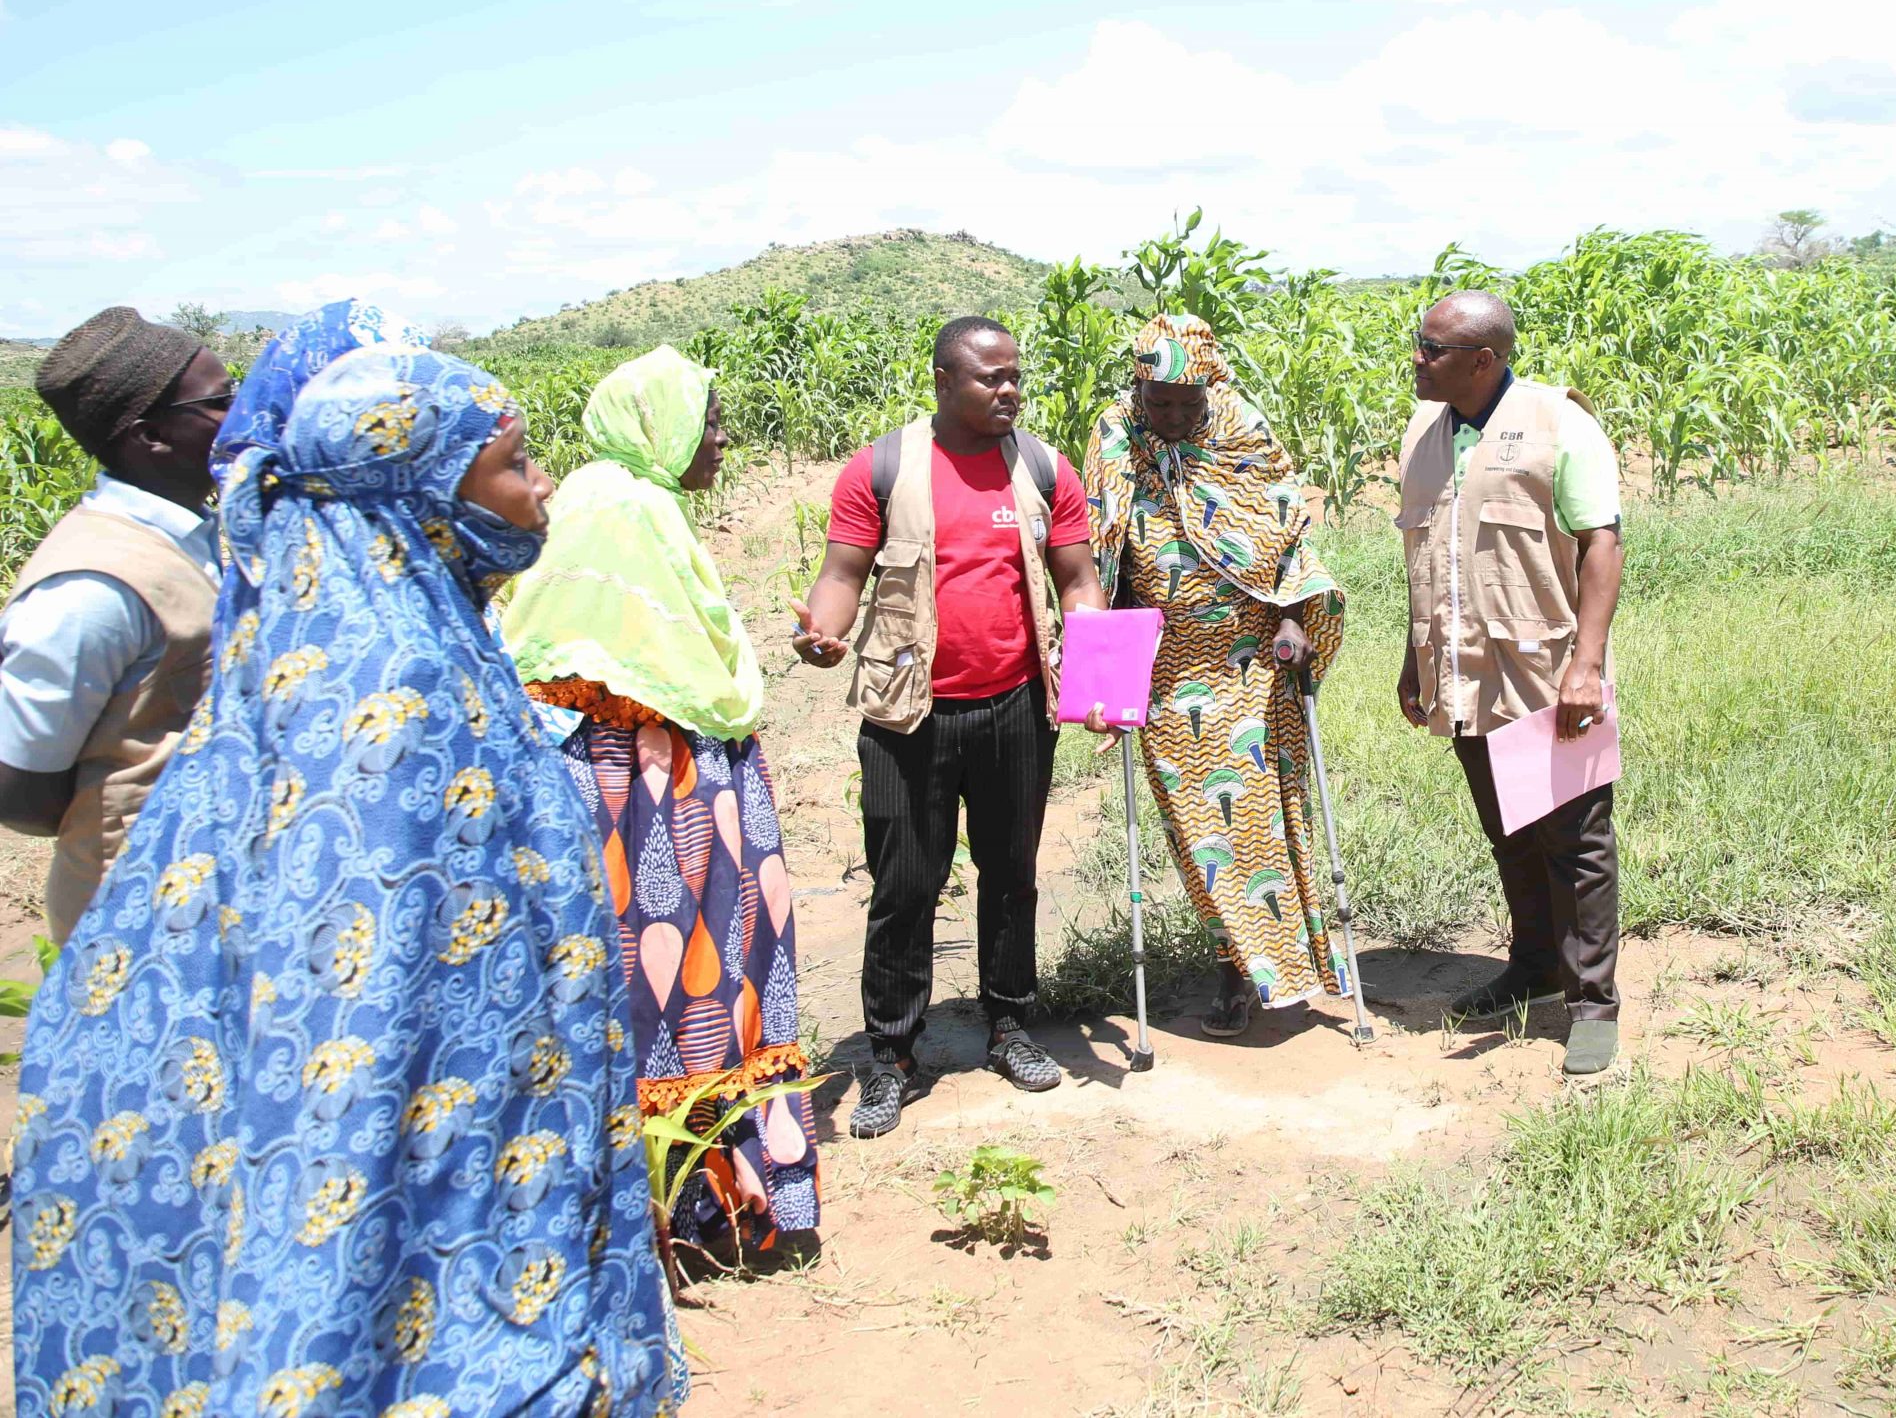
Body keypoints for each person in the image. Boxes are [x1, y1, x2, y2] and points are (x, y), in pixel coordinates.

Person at [11, 346, 684, 1413]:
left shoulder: (382, 635)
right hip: (433, 1166)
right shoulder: (391, 695)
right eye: (512, 461)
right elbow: (367, 1026)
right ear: (417, 492)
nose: (540, 484)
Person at [503, 345, 820, 1258]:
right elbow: (661, 679)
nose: (720, 440)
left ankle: (670, 1195)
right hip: (650, 787)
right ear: (660, 426)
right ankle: (699, 1197)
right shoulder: (628, 510)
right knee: (693, 975)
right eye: (708, 421)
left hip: (620, 777)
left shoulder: (604, 501)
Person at [792, 315, 1105, 1138]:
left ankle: (1007, 1024)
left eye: (1015, 377)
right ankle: (891, 1055)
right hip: (909, 714)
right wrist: (823, 634)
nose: (1009, 391)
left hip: (1015, 708)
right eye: (989, 378)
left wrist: (1101, 680)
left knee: (1013, 872)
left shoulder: (1042, 468)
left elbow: (1078, 581)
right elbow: (841, 574)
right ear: (942, 381)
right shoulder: (885, 468)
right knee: (904, 884)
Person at [1083, 314, 1350, 1035]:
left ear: (1212, 385)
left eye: (1185, 400)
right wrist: (1108, 669)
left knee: (1267, 820)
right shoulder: (1116, 436)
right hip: (1170, 665)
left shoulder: (1243, 430)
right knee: (1199, 827)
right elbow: (1102, 555)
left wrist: (1294, 617)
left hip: (1256, 657)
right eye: (1156, 399)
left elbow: (1291, 529)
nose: (1170, 415)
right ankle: (1236, 959)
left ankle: (1269, 970)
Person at [1395, 290, 1626, 1077]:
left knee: (1576, 838)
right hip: (1462, 671)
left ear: (1483, 360)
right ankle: (1535, 965)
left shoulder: (1560, 423)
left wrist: (1587, 663)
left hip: (1544, 669)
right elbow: (1429, 559)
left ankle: (1593, 1001)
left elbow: (1601, 543)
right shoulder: (1424, 433)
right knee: (1509, 829)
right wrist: (1411, 657)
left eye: (1432, 348)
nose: (1417, 360)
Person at [1, 306, 230, 942]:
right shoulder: (90, 587)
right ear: (152, 435)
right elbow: (20, 790)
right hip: (134, 921)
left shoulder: (197, 536)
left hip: (204, 898)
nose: (242, 418)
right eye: (221, 400)